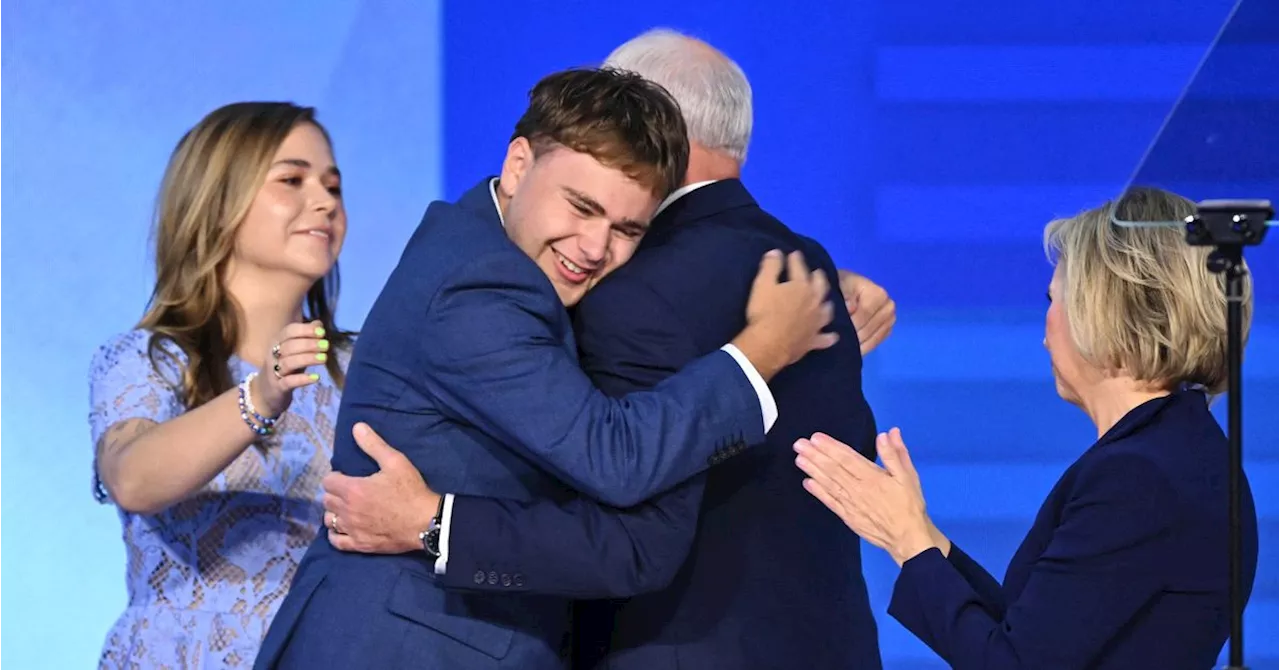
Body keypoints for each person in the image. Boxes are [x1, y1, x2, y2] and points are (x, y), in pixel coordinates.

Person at [317, 30, 890, 670]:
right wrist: (758, 351)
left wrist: (433, 523)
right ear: (519, 164)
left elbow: (636, 534)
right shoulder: (796, 268)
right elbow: (615, 457)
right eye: (582, 206)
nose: (595, 248)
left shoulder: (630, 285)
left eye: (625, 227)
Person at [794, 186, 1260, 668]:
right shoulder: (1177, 453)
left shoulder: (1141, 477)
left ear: (1105, 308)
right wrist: (923, 538)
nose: (1046, 327)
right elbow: (1035, 635)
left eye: (1054, 298)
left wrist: (906, 540)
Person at [88, 102, 352, 668]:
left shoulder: (362, 370)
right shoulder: (148, 360)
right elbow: (131, 477)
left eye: (333, 186)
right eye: (292, 180)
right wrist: (260, 396)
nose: (326, 201)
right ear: (217, 202)